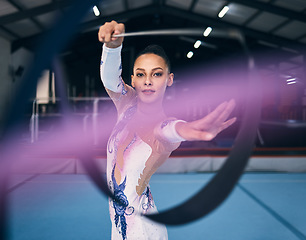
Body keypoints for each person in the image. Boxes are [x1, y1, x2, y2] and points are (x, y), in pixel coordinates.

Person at [98, 20, 236, 240]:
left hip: (141, 233)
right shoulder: (127, 104)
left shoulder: (163, 125)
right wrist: (112, 47)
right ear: (133, 79)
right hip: (123, 227)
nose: (148, 81)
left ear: (169, 79)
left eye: (157, 74)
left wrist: (190, 129)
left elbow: (172, 130)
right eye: (141, 74)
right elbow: (109, 78)